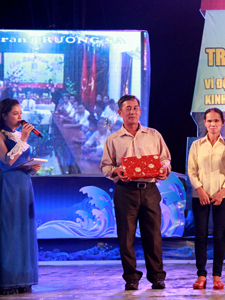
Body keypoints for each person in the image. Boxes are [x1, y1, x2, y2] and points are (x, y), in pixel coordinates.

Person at [100, 94, 170, 290]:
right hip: (125, 191)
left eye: (135, 108)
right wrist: (116, 171)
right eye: (128, 108)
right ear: (120, 113)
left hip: (149, 190)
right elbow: (105, 166)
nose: (132, 112)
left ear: (140, 111)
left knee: (154, 236)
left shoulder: (154, 135)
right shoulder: (113, 139)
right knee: (126, 237)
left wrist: (165, 168)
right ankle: (131, 277)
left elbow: (165, 159)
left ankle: (157, 277)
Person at [0, 98, 41, 295]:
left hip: (24, 185)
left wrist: (33, 167)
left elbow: (21, 162)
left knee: (24, 230)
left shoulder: (17, 135)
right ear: (4, 115)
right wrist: (24, 140)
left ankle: (23, 278)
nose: (20, 117)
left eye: (20, 113)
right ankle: (7, 280)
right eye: (15, 113)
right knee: (9, 231)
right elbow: (8, 161)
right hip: (7, 186)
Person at [187, 108, 225, 290]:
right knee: (200, 235)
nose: (212, 124)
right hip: (200, 195)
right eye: (209, 121)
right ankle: (201, 275)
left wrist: (222, 191)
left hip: (221, 196)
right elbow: (191, 170)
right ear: (204, 123)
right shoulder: (196, 145)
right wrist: (199, 190)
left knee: (219, 236)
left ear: (222, 122)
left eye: (216, 121)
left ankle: (217, 275)